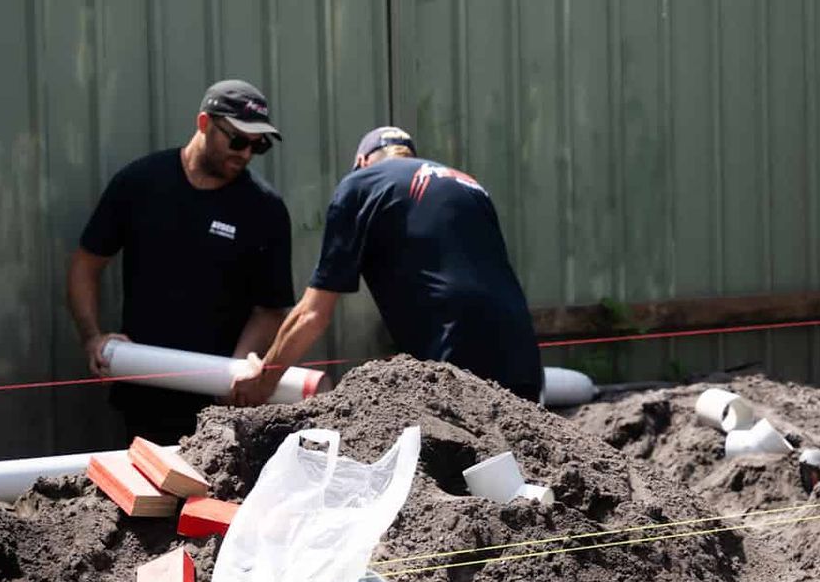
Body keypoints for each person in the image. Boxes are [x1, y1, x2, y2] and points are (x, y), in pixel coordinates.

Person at [229, 126, 545, 404]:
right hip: (524, 357)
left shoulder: (362, 183)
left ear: (363, 162)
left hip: (453, 359)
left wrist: (265, 379)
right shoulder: (470, 185)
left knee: (449, 466)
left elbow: (313, 314)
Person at [68, 79, 294, 444]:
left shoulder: (263, 208)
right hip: (143, 390)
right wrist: (92, 337)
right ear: (204, 123)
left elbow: (270, 308)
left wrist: (236, 373)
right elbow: (86, 265)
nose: (246, 154)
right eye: (237, 140)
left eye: (258, 145)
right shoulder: (141, 184)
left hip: (219, 403)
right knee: (148, 497)